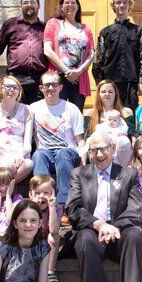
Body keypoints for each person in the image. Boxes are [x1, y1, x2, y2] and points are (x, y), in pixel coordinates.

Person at [66, 130, 142, 282]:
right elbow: (73, 208)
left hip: (120, 232)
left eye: (103, 149)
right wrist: (99, 224)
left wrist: (113, 228)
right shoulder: (79, 174)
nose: (99, 155)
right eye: (93, 150)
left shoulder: (128, 174)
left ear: (113, 148)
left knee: (135, 235)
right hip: (92, 231)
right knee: (84, 238)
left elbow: (135, 210)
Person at [30, 71, 85, 211]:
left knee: (63, 153)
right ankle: (40, 202)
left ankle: (63, 205)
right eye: (46, 85)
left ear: (60, 87)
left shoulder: (71, 109)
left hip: (68, 153)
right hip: (46, 154)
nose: (50, 88)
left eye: (54, 84)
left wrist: (83, 164)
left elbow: (80, 140)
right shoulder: (33, 109)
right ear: (41, 88)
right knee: (38, 154)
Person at [92, 0, 142, 111]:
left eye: (125, 2)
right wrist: (100, 83)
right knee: (110, 116)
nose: (122, 5)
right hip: (110, 83)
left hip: (131, 82)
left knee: (129, 116)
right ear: (113, 6)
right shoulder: (105, 32)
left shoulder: (138, 31)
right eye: (118, 2)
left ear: (129, 5)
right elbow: (98, 59)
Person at [0, 0, 48, 104]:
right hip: (16, 79)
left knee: (36, 116)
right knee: (15, 116)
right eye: (26, 2)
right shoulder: (11, 24)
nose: (29, 4)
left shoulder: (45, 28)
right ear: (21, 6)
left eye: (32, 2)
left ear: (38, 6)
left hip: (39, 80)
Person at [0, 199, 50, 282]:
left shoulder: (43, 248)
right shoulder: (1, 248)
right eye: (23, 220)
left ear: (40, 223)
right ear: (15, 223)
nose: (28, 225)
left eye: (33, 220)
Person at [44, 0, 94, 111]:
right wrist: (67, 71)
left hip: (79, 79)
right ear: (61, 7)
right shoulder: (53, 23)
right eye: (66, 2)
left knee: (76, 115)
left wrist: (78, 71)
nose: (70, 5)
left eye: (73, 3)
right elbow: (47, 50)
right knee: (55, 113)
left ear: (77, 6)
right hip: (58, 77)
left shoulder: (86, 29)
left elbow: (91, 55)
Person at [0, 76, 33, 186]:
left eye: (15, 87)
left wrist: (20, 156)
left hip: (19, 154)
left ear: (19, 91)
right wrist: (9, 157)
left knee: (29, 164)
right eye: (8, 86)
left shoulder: (27, 110)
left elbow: (27, 144)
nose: (11, 90)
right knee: (8, 164)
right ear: (1, 89)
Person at [29, 174, 62, 282]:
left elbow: (53, 230)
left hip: (46, 244)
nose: (41, 197)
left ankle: (50, 274)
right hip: (29, 241)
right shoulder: (26, 207)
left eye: (45, 193)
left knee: (54, 237)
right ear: (30, 195)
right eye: (37, 193)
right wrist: (33, 208)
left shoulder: (56, 207)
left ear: (52, 194)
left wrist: (52, 207)